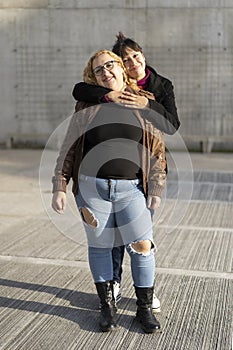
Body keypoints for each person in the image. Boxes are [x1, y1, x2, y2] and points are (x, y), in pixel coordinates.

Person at [52, 49, 166, 333]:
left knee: (142, 247)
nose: (106, 72)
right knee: (100, 247)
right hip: (92, 188)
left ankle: (143, 309)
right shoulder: (86, 106)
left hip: (132, 190)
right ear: (94, 77)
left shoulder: (144, 101)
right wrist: (60, 185)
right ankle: (107, 308)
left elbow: (157, 149)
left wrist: (158, 185)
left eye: (110, 65)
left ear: (122, 68)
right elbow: (69, 147)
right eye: (99, 70)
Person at [72, 32, 180, 313]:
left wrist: (147, 104)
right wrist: (109, 93)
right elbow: (80, 90)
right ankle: (115, 283)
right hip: (104, 178)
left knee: (140, 236)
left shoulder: (159, 85)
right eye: (126, 59)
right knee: (112, 236)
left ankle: (144, 293)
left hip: (142, 171)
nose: (133, 62)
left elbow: (171, 125)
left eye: (136, 55)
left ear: (142, 54)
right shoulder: (108, 85)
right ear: (119, 64)